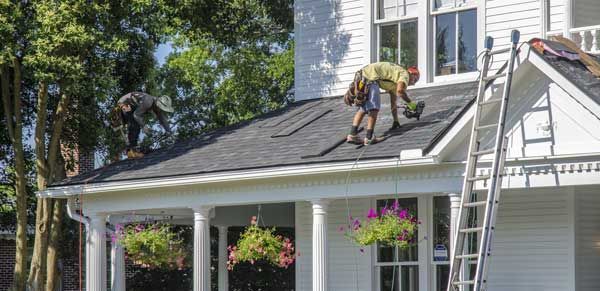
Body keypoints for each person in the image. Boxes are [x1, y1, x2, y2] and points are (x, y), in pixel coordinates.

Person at [343, 62, 420, 145]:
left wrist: (396, 121)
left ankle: (352, 135)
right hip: (371, 79)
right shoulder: (405, 74)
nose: (413, 83)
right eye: (415, 79)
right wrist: (411, 104)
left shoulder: (395, 81)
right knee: (373, 108)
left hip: (363, 77)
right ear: (411, 74)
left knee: (363, 109)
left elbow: (393, 102)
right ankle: (369, 137)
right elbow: (400, 91)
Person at [116, 92, 174, 159]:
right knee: (134, 124)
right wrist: (144, 127)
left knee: (136, 122)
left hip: (133, 106)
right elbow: (136, 115)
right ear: (158, 104)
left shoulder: (156, 104)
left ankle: (133, 149)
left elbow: (162, 118)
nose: (160, 110)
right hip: (124, 103)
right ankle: (132, 151)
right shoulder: (148, 101)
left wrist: (169, 131)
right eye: (161, 108)